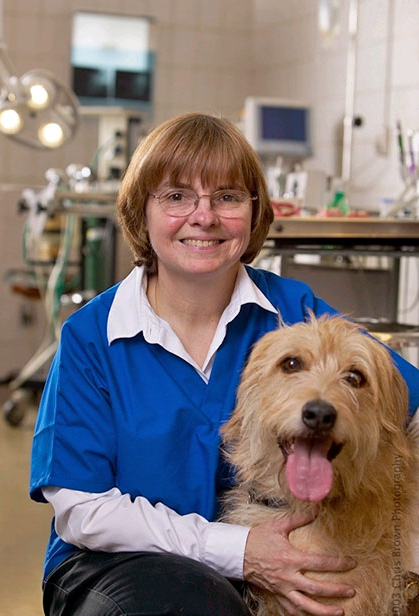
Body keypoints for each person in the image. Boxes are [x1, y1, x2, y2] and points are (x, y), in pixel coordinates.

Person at [30, 113, 419, 616]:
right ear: (140, 211)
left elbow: (400, 395)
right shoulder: (92, 336)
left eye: (228, 198)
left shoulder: (292, 312)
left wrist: (401, 543)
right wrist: (238, 552)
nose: (204, 216)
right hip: (118, 564)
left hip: (281, 547)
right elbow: (82, 512)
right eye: (176, 196)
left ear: (255, 213)